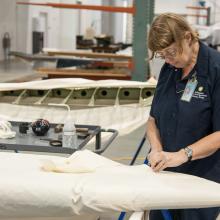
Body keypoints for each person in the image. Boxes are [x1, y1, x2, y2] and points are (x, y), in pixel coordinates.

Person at [146, 13, 220, 220]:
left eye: (171, 52)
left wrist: (182, 154)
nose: (168, 60)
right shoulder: (170, 69)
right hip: (165, 171)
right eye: (162, 55)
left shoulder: (215, 69)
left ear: (188, 37)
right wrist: (156, 148)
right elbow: (152, 119)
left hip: (201, 177)